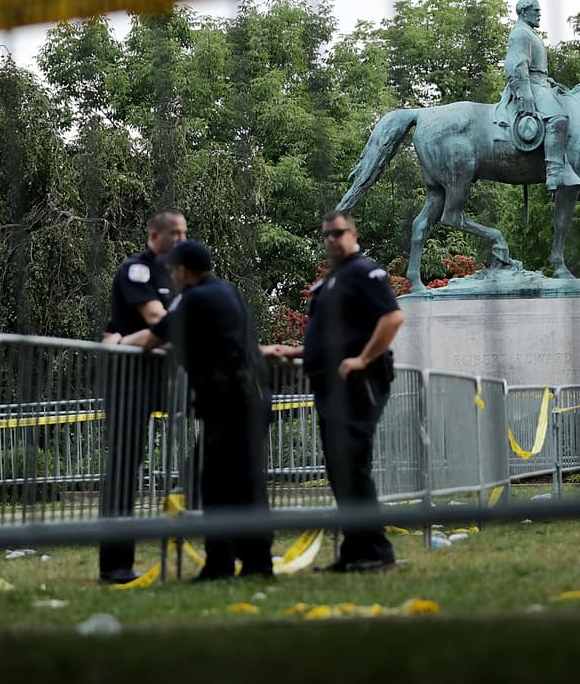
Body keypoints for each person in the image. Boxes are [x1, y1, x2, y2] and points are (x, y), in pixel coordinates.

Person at [120, 239, 289, 581]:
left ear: (183, 270)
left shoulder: (192, 298)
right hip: (250, 395)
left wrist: (120, 342)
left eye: (172, 269)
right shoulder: (226, 291)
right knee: (243, 482)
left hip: (230, 402)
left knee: (217, 483)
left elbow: (157, 336)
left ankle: (224, 563)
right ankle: (254, 562)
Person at [277, 210, 404, 572]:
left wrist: (363, 359)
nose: (332, 239)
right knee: (340, 466)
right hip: (330, 383)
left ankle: (376, 551)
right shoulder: (335, 279)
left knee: (350, 462)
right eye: (327, 235)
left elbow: (392, 317)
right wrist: (297, 351)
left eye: (338, 233)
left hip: (358, 382)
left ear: (353, 233)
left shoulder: (365, 271)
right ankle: (355, 549)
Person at [96, 209, 187, 585]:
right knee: (123, 468)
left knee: (216, 442)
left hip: (168, 377)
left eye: (185, 233)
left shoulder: (184, 275)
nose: (182, 240)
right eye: (174, 234)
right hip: (130, 379)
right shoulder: (138, 269)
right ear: (154, 237)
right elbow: (157, 320)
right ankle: (115, 565)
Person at [503, 0, 580, 198]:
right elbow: (516, 66)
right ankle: (554, 174)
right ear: (524, 12)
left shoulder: (530, 33)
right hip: (530, 86)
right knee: (558, 119)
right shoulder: (521, 34)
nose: (540, 14)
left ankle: (569, 171)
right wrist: (525, 96)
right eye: (536, 11)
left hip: (541, 84)